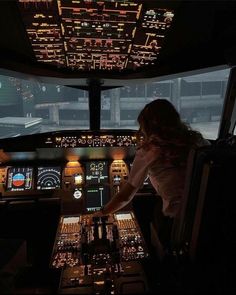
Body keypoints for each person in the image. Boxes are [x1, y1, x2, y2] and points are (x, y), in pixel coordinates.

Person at [93, 99, 210, 246]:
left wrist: (102, 213)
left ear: (147, 127)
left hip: (179, 223)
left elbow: (125, 196)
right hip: (208, 216)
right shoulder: (199, 142)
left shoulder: (149, 151)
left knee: (155, 214)